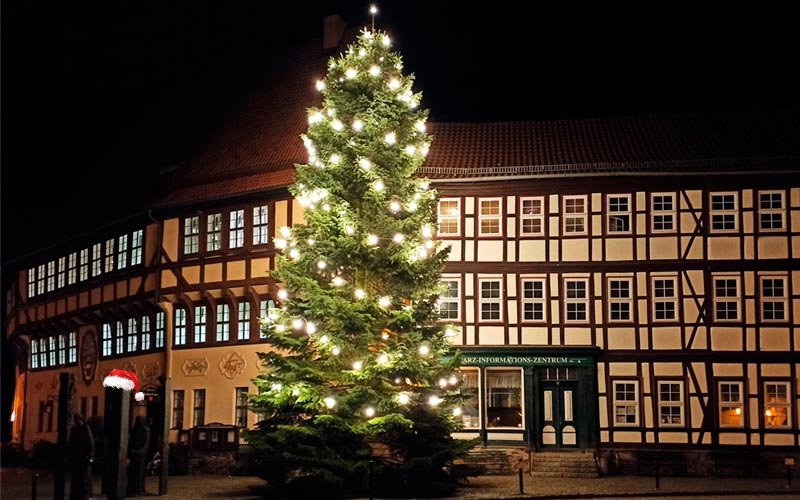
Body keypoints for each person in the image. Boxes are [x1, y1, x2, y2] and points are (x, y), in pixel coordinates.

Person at [68, 413, 94, 500]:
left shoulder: (85, 429)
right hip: (77, 458)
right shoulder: (75, 429)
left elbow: (90, 443)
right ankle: (77, 495)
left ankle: (83, 495)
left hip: (82, 458)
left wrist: (89, 455)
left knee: (83, 478)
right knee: (77, 478)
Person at [126, 415, 151, 496]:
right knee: (133, 473)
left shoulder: (146, 430)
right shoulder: (134, 430)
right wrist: (132, 451)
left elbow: (146, 443)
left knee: (140, 473)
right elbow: (130, 442)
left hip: (141, 456)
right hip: (135, 455)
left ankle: (139, 489)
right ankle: (133, 489)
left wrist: (140, 452)